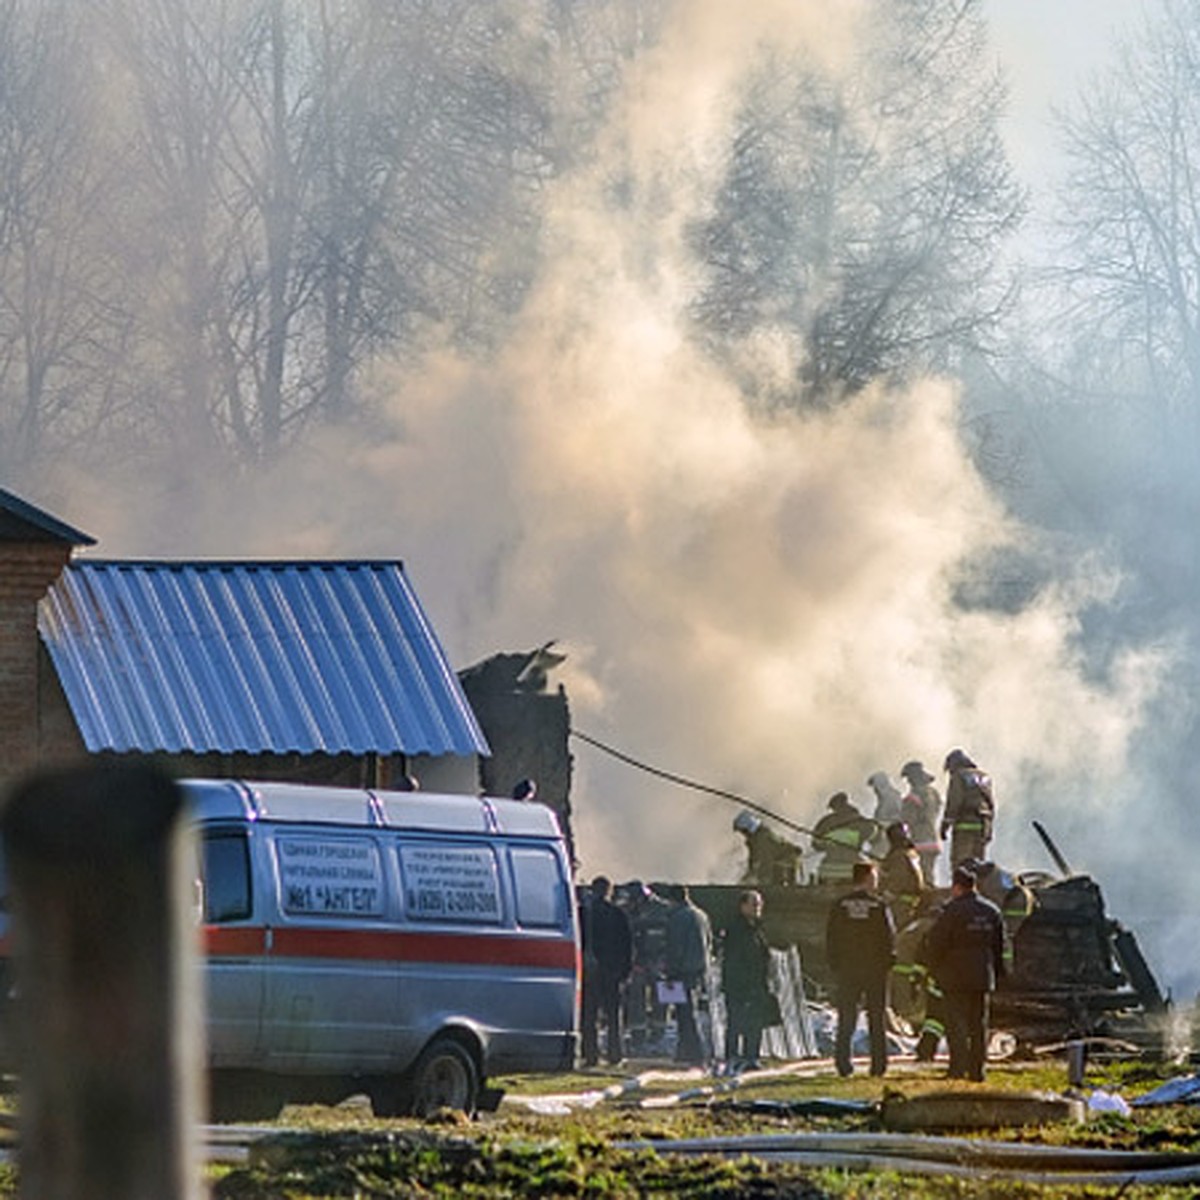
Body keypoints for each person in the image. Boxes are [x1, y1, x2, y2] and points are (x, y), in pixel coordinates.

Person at [921, 864, 1005, 1081]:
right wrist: (997, 973)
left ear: (957, 887)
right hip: (982, 976)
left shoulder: (951, 911)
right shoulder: (992, 911)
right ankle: (978, 1070)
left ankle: (957, 1068)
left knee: (956, 1024)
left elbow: (937, 943)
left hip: (955, 976)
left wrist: (933, 969)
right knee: (978, 1025)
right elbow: (1000, 947)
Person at [825, 861, 896, 1077]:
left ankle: (843, 1065)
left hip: (848, 969)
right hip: (874, 970)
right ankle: (878, 1066)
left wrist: (835, 964)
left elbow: (831, 937)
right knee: (876, 1017)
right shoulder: (878, 906)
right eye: (874, 876)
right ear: (867, 878)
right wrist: (887, 962)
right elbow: (889, 938)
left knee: (847, 1017)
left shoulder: (839, 905)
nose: (876, 880)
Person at [579, 875, 634, 1067]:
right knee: (613, 1014)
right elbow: (627, 945)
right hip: (612, 971)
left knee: (589, 1014)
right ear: (609, 891)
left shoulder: (583, 913)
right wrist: (625, 971)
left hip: (590, 970)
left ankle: (590, 1054)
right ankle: (615, 1053)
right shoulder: (618, 914)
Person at [721, 889, 774, 1072]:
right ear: (743, 906)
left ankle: (751, 1057)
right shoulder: (736, 930)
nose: (758, 908)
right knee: (736, 1023)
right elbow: (734, 961)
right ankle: (733, 1057)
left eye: (759, 905)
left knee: (754, 1024)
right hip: (739, 987)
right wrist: (742, 985)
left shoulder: (757, 930)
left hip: (756, 985)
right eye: (754, 904)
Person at [664, 884, 714, 1065]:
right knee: (688, 1011)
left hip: (680, 972)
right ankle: (684, 1051)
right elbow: (709, 943)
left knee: (684, 1014)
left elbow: (674, 948)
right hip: (698, 971)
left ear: (672, 899)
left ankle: (694, 1052)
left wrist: (669, 973)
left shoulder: (677, 918)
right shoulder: (702, 915)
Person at [940, 750, 995, 870]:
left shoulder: (959, 776)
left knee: (961, 865)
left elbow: (954, 801)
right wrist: (989, 829)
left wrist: (945, 824)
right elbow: (991, 804)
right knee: (978, 865)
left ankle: (962, 887)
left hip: (964, 826)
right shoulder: (984, 777)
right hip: (982, 826)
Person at [811, 792, 877, 884]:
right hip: (854, 868)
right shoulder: (860, 820)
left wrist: (829, 845)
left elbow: (815, 844)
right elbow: (873, 833)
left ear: (835, 807)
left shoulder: (826, 822)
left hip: (830, 869)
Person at [899, 760, 943, 886]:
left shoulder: (913, 796)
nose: (908, 782)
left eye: (909, 778)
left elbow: (907, 819)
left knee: (922, 878)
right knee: (930, 874)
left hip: (919, 840)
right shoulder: (934, 793)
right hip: (933, 839)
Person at [733, 809, 803, 886]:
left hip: (785, 865)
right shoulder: (755, 840)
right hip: (778, 865)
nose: (743, 834)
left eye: (743, 831)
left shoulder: (762, 839)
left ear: (748, 828)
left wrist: (762, 882)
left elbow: (766, 862)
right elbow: (754, 860)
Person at [879, 821, 926, 927]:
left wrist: (886, 895)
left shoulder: (899, 856)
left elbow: (898, 879)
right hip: (909, 904)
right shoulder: (910, 853)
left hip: (899, 906)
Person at [865, 771, 903, 854]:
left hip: (889, 838)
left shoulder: (892, 798)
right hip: (883, 838)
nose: (875, 791)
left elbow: (897, 819)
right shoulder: (884, 799)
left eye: (875, 787)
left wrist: (880, 823)